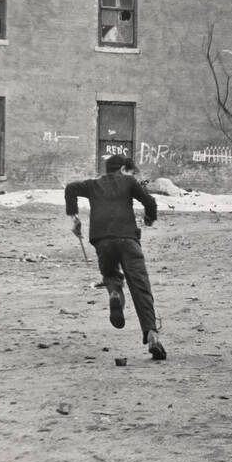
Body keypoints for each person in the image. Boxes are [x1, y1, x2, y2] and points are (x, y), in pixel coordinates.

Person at [64, 154, 167, 360]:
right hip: (128, 239)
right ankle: (151, 334)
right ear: (122, 169)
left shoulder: (93, 184)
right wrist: (149, 219)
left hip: (101, 240)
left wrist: (75, 219)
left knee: (111, 275)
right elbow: (150, 202)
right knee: (140, 287)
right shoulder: (129, 181)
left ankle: (116, 295)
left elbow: (70, 189)